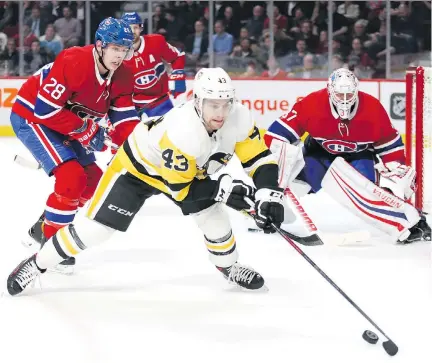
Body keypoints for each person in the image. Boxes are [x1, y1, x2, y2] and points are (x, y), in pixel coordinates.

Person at [7, 68, 288, 296]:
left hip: (186, 172)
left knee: (214, 219)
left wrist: (268, 194)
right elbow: (183, 190)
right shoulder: (182, 131)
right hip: (137, 169)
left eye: (226, 104)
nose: (221, 113)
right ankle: (37, 264)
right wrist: (226, 191)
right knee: (95, 230)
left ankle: (229, 267)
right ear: (198, 102)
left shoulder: (238, 118)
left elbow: (259, 158)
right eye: (213, 104)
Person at [10, 17, 140, 272]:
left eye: (124, 50)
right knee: (72, 177)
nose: (119, 56)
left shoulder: (123, 73)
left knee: (93, 182)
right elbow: (45, 111)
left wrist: (136, 147)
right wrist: (86, 129)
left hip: (66, 121)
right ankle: (51, 243)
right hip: (33, 117)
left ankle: (43, 226)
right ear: (100, 45)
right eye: (115, 48)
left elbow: (124, 120)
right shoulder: (74, 61)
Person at [265, 68, 430, 244]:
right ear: (329, 90)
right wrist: (284, 155)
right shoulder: (312, 104)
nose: (344, 99)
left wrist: (396, 167)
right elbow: (275, 135)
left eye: (349, 94)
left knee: (367, 192)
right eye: (339, 94)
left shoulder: (373, 109)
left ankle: (411, 224)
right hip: (318, 154)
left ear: (356, 90)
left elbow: (390, 145)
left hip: (359, 156)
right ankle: (267, 210)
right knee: (288, 176)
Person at [108, 12, 186, 147]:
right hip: (132, 105)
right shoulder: (116, 51)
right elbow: (111, 82)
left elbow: (177, 56)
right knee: (122, 140)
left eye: (135, 27)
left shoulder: (156, 42)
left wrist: (177, 76)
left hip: (160, 101)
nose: (132, 31)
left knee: (173, 139)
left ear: (141, 27)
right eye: (128, 27)